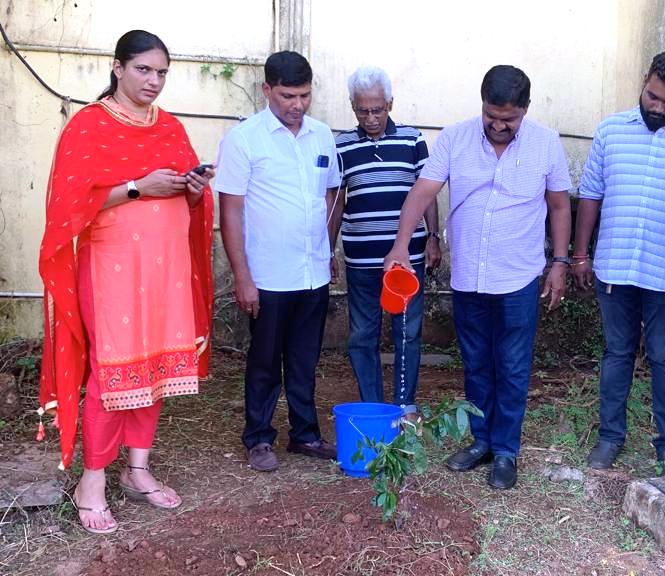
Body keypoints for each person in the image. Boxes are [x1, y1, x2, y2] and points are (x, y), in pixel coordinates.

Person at [37, 29, 214, 534]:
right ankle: (91, 481)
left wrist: (194, 190)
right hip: (111, 266)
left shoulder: (171, 128)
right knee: (112, 369)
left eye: (161, 73)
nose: (154, 81)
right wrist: (138, 187)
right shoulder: (89, 126)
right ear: (117, 68)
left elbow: (189, 200)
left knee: (155, 365)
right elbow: (68, 207)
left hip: (167, 270)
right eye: (144, 70)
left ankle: (137, 469)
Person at [384, 65, 572, 490]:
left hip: (518, 277)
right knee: (475, 363)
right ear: (482, 103)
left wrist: (560, 262)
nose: (499, 125)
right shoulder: (455, 137)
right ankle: (481, 440)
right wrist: (399, 246)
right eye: (492, 115)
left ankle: (506, 451)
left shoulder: (545, 143)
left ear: (525, 110)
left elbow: (560, 207)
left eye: (509, 118)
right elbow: (423, 191)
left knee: (512, 365)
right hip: (468, 276)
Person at [215, 51, 340, 473]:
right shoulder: (244, 139)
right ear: (266, 89)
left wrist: (328, 248)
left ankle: (305, 434)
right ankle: (259, 438)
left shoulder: (323, 135)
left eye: (304, 95)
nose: (297, 105)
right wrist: (242, 276)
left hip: (313, 272)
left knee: (305, 360)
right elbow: (230, 210)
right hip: (267, 275)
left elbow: (332, 196)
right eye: (288, 95)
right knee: (266, 361)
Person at [573, 51, 665, 471]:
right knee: (617, 353)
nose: (657, 108)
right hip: (615, 264)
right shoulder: (611, 131)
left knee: (664, 357)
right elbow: (590, 194)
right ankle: (609, 438)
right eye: (652, 97)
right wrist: (579, 255)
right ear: (644, 82)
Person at [330, 66, 441, 413]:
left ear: (390, 103)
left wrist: (434, 238)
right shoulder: (342, 144)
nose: (371, 117)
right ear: (352, 107)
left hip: (407, 258)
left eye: (377, 109)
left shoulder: (411, 139)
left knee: (408, 331)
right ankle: (374, 407)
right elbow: (336, 202)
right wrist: (328, 249)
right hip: (361, 259)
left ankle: (405, 405)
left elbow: (427, 193)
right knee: (363, 335)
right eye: (362, 110)